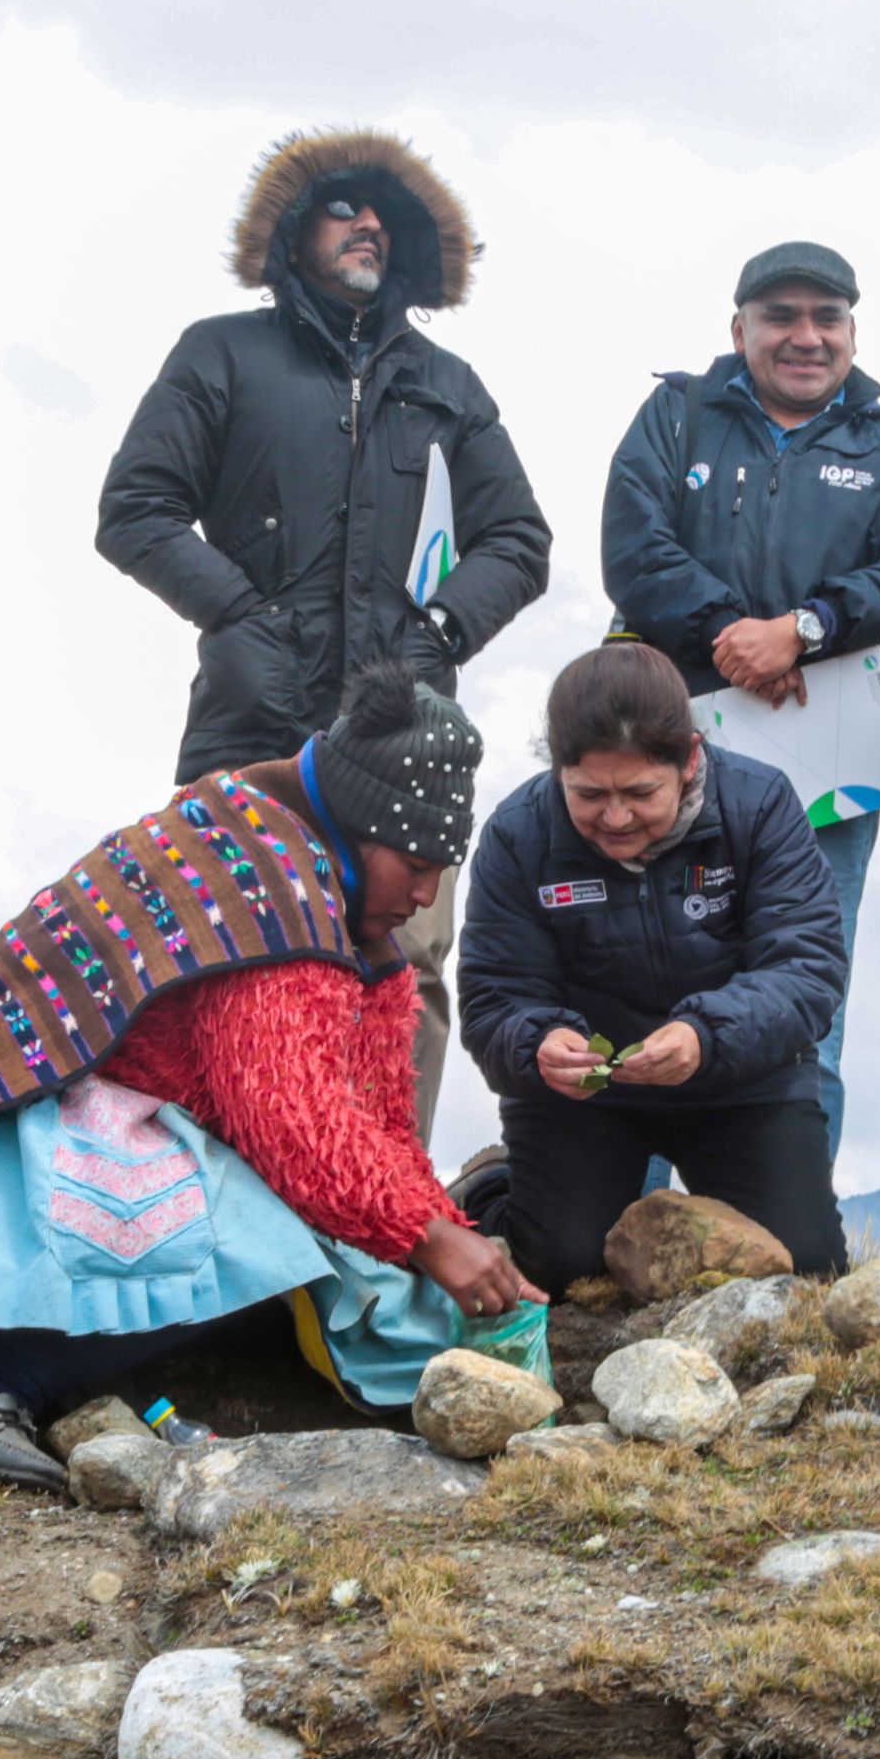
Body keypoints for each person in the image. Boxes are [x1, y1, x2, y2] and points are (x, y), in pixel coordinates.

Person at [0, 665, 541, 1483]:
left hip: (86, 1113)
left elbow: (378, 1118)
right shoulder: (267, 886)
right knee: (245, 1231)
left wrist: (446, 1233)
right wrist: (431, 1240)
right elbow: (296, 1129)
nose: (426, 893)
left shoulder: (319, 877)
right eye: (416, 863)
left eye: (442, 869)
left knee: (319, 1252)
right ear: (359, 824)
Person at [97, 130, 554, 1140]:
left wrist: (436, 636)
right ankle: (221, 1216)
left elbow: (519, 539)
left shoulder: (450, 383)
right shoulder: (221, 352)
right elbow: (134, 508)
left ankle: (389, 1229)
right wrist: (240, 614)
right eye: (344, 205)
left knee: (402, 973)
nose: (369, 224)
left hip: (405, 734)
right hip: (251, 723)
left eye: (384, 213)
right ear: (293, 229)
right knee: (223, 954)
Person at [600, 242, 880, 1153]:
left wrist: (804, 628)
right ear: (740, 329)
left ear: (851, 330)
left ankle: (792, 1243)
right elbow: (632, 553)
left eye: (826, 317)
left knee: (805, 994)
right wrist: (734, 630)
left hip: (832, 770)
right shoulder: (676, 414)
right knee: (647, 983)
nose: (807, 337)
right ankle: (628, 1242)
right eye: (782, 317)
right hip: (670, 761)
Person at [458, 642, 851, 1288]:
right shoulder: (517, 834)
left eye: (641, 792)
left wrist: (706, 1034)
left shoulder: (761, 807)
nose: (615, 817)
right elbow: (493, 997)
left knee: (805, 1269)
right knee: (560, 1266)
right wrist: (537, 1045)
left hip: (739, 1080)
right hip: (587, 1096)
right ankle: (491, 1192)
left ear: (690, 758)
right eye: (589, 794)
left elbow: (807, 971)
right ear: (558, 770)